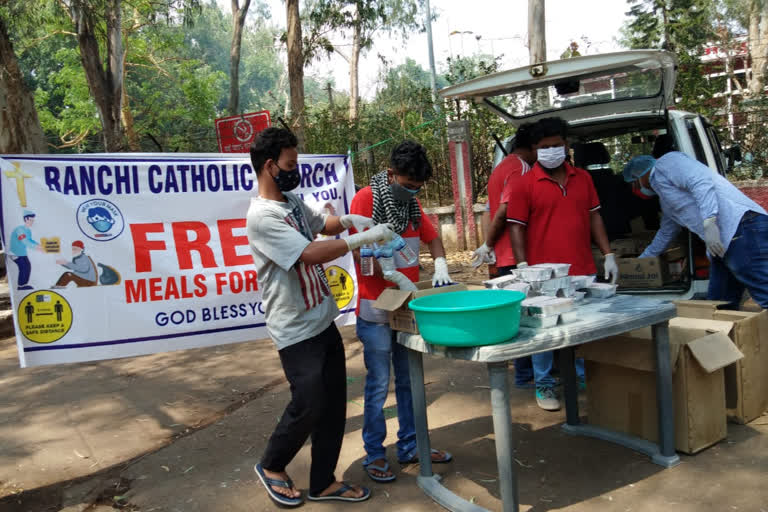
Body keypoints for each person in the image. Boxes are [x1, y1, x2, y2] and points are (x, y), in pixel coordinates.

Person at [247, 127, 394, 507]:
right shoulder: (262, 217)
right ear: (269, 165)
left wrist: (351, 222)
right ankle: (272, 465)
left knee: (331, 405)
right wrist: (364, 239)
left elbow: (323, 225)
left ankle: (324, 481)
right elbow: (310, 254)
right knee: (308, 402)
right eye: (290, 163)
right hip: (294, 328)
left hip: (321, 319)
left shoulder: (291, 202)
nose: (295, 170)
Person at [349, 140, 453, 483]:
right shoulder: (366, 199)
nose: (413, 192)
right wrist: (387, 270)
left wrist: (440, 264)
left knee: (410, 380)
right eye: (408, 185)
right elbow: (361, 256)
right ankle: (375, 454)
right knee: (379, 384)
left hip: (406, 308)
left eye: (418, 187)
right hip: (377, 308)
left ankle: (411, 445)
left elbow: (432, 237)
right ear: (391, 174)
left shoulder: (411, 203)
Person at [505, 117, 619, 411]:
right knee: (543, 332)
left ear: (566, 145)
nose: (552, 151)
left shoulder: (583, 178)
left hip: (582, 268)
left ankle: (583, 378)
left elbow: (595, 216)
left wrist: (607, 253)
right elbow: (515, 226)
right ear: (535, 148)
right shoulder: (524, 184)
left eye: (557, 145)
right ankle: (544, 385)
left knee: (583, 328)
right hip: (543, 276)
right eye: (545, 147)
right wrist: (523, 267)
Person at [623, 151, 768, 309]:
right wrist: (641, 260)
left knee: (763, 290)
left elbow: (700, 182)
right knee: (718, 304)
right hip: (721, 244)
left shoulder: (667, 163)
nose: (636, 188)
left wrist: (709, 221)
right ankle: (721, 334)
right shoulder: (665, 199)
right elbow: (666, 233)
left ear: (641, 175)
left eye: (635, 183)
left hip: (742, 227)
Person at [472, 123, 538, 389]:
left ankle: (524, 374)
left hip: (504, 256)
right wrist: (488, 244)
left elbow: (489, 210)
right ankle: (528, 375)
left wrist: (489, 246)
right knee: (530, 316)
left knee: (515, 316)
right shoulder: (522, 169)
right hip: (517, 254)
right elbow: (503, 211)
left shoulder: (501, 168)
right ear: (533, 146)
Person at [9, 210, 44, 291]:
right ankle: (21, 286)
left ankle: (23, 285)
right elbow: (25, 241)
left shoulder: (27, 230)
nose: (32, 222)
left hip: (22, 253)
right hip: (15, 253)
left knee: (27, 266)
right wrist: (37, 248)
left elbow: (30, 240)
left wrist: (39, 245)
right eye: (31, 220)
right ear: (26, 219)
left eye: (33, 220)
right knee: (24, 267)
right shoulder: (19, 229)